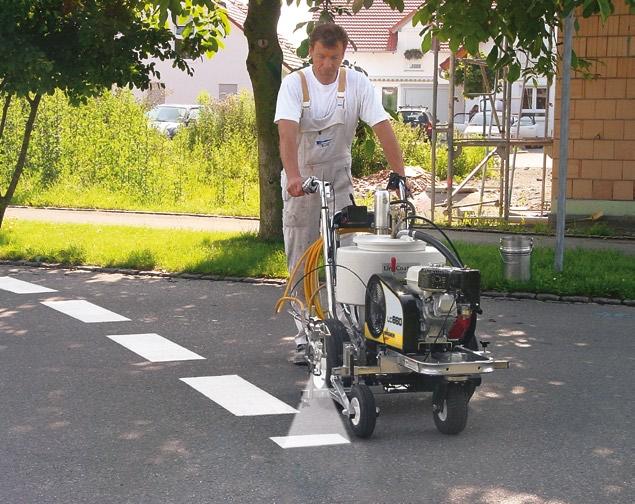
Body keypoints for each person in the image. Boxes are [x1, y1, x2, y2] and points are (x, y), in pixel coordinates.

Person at [274, 23, 407, 364]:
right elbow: (287, 135)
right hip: (302, 178)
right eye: (321, 56)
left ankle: (348, 328)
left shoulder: (357, 84)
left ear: (344, 54)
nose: (327, 64)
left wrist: (400, 175)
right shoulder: (294, 85)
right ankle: (304, 334)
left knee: (347, 256)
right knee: (303, 260)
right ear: (310, 53)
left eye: (334, 57)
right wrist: (293, 176)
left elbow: (382, 127)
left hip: (339, 178)